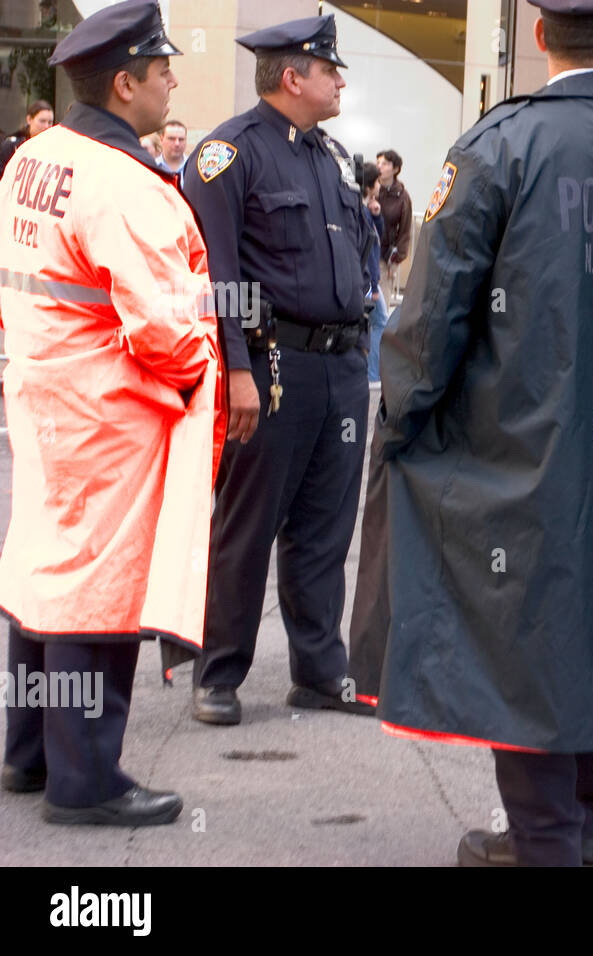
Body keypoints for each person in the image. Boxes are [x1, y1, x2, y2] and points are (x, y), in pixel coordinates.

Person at [353, 0, 593, 867]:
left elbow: (432, 313)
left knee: (517, 634)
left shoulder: (498, 147)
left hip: (517, 445)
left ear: (537, 37)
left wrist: (402, 417)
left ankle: (547, 839)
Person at [0, 0, 223, 826]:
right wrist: (206, 366)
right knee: (97, 592)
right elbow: (167, 331)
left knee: (44, 576)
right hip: (109, 417)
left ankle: (28, 755)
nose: (172, 79)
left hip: (44, 399)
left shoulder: (35, 156)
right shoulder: (127, 187)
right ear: (125, 84)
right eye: (161, 68)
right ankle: (85, 779)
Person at [183, 14, 376, 725]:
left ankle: (321, 671)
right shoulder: (229, 156)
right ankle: (219, 672)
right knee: (247, 524)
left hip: (341, 367)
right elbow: (217, 277)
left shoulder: (327, 155)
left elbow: (357, 248)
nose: (340, 81)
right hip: (270, 366)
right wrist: (236, 369)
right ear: (293, 77)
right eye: (329, 70)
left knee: (326, 527)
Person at [360, 161, 389, 384]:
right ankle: (372, 375)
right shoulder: (360, 211)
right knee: (379, 322)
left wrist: (377, 215)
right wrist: (372, 284)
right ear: (369, 185)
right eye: (377, 181)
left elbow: (377, 237)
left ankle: (370, 373)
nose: (380, 185)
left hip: (369, 280)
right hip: (369, 281)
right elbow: (368, 250)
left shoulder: (366, 210)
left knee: (375, 322)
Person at [374, 148, 411, 296]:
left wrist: (396, 260)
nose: (380, 166)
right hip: (365, 252)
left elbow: (405, 230)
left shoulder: (402, 196)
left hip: (385, 256)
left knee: (381, 304)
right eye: (378, 162)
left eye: (385, 163)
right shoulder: (370, 188)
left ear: (395, 169)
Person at [0, 100, 53, 177]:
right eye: (42, 121)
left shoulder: (53, 148)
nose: (46, 126)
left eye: (50, 122)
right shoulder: (12, 146)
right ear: (29, 119)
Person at [157, 117, 187, 184]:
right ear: (161, 139)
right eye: (171, 139)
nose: (177, 143)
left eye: (181, 139)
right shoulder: (151, 168)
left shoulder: (193, 169)